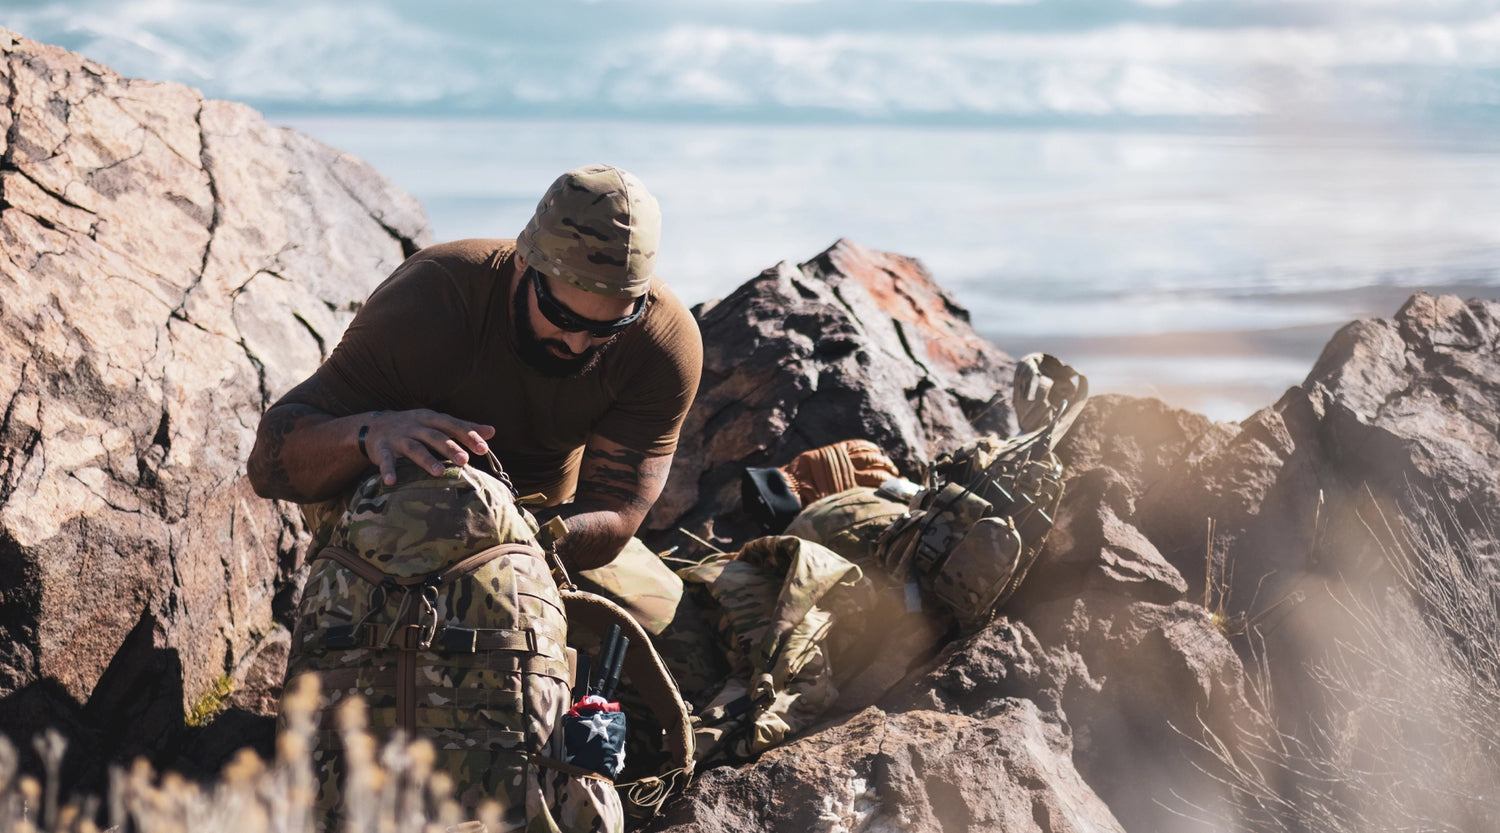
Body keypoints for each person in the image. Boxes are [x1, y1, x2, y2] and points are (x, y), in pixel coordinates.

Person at [247, 163, 702, 572]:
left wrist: (514, 544)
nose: (579, 342)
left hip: (542, 531)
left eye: (610, 326)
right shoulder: (432, 299)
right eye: (563, 317)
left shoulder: (661, 343)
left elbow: (616, 513)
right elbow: (269, 465)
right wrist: (370, 433)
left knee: (672, 639)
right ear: (524, 262)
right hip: (390, 508)